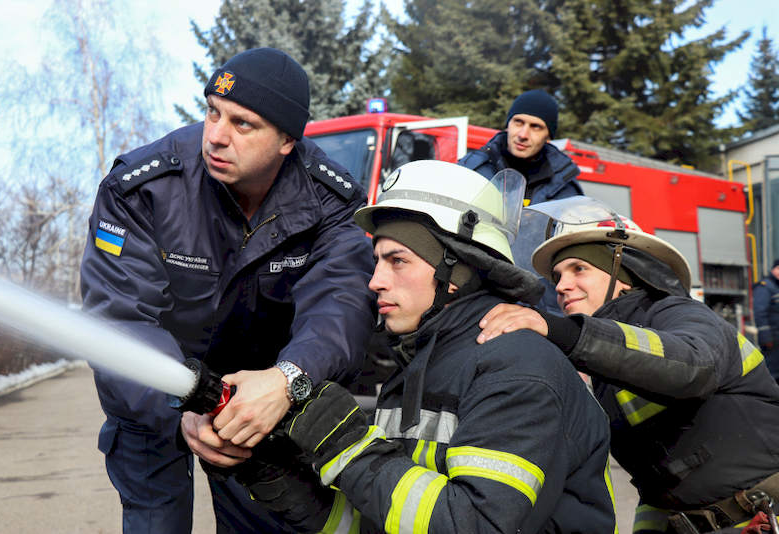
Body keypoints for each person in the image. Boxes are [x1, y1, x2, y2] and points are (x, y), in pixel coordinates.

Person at [211, 161, 618, 533]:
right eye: (376, 262)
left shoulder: (518, 367)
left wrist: (346, 446)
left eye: (397, 260)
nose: (375, 282)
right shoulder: (414, 367)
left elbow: (478, 525)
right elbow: (381, 521)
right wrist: (280, 475)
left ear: (456, 270)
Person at [80, 48, 376, 533]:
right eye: (212, 112)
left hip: (258, 398)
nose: (215, 135)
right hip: (155, 397)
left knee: (264, 524)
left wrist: (287, 380)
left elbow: (342, 304)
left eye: (243, 124)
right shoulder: (141, 189)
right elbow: (119, 317)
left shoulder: (330, 199)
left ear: (286, 140)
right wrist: (179, 404)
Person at [477, 197, 779, 534]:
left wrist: (562, 331)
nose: (561, 286)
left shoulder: (679, 314)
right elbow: (656, 485)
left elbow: (694, 367)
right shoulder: (602, 362)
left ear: (624, 275)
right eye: (558, 276)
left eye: (579, 269)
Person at [458, 89, 583, 207]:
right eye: (518, 122)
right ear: (508, 125)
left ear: (548, 136)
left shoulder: (564, 188)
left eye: (536, 127)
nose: (523, 135)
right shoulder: (471, 169)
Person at [753, 259, 779, 383]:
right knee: (771, 373)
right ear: (773, 269)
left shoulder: (776, 287)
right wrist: (766, 338)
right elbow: (760, 313)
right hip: (772, 340)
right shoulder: (765, 286)